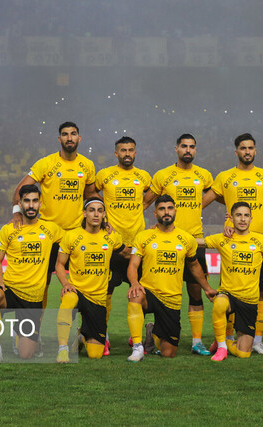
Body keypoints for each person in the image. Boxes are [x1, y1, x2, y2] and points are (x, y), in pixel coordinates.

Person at [198, 202, 263, 362]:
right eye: (238, 215)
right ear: (231, 218)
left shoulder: (261, 241)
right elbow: (198, 242)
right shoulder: (222, 239)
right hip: (228, 295)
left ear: (251, 218)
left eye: (246, 215)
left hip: (249, 301)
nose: (242, 219)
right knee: (219, 302)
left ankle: (225, 342)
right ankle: (222, 348)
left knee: (243, 353)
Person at [202, 133, 263, 354]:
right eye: (243, 148)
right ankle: (226, 338)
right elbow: (201, 203)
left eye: (251, 148)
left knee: (260, 292)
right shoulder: (225, 176)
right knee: (229, 293)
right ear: (236, 152)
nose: (247, 151)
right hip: (232, 244)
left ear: (255, 150)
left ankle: (257, 340)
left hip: (259, 244)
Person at [143, 134, 214, 356]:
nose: (188, 150)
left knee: (195, 293)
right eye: (184, 146)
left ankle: (196, 342)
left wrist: (199, 206)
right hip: (164, 242)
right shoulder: (164, 175)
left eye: (192, 147)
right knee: (159, 292)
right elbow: (145, 202)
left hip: (193, 241)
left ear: (195, 150)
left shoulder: (203, 175)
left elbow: (221, 194)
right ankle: (153, 334)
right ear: (176, 149)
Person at [126, 195, 217, 362]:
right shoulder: (144, 237)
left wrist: (207, 288)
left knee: (169, 353)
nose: (166, 212)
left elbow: (194, 266)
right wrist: (134, 283)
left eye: (169, 208)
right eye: (162, 209)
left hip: (172, 300)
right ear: (155, 214)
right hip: (149, 293)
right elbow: (132, 265)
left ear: (175, 211)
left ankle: (152, 334)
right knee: (135, 294)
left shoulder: (186, 239)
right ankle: (137, 347)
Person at [10, 121, 97, 295]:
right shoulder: (46, 163)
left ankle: (74, 323)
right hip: (48, 233)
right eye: (65, 134)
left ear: (79, 138)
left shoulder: (87, 165)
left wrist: (104, 219)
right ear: (59, 139)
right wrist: (17, 213)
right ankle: (37, 321)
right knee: (42, 284)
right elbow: (20, 190)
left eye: (73, 134)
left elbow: (91, 196)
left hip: (75, 233)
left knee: (78, 283)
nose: (69, 138)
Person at [0, 185, 64, 363]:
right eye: (27, 201)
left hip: (33, 299)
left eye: (35, 201)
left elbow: (75, 238)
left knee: (25, 355)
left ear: (40, 204)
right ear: (19, 204)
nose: (31, 205)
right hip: (11, 290)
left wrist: (104, 227)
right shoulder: (8, 229)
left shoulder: (51, 229)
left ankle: (19, 329)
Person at [94, 136, 152, 355]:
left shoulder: (143, 176)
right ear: (115, 153)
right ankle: (103, 334)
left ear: (135, 153)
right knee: (105, 292)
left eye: (131, 150)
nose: (127, 153)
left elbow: (148, 199)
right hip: (111, 246)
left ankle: (135, 335)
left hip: (136, 246)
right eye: (123, 150)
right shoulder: (105, 175)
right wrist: (104, 218)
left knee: (139, 290)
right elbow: (91, 193)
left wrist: (140, 208)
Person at [55, 197, 129, 362]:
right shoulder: (72, 236)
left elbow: (127, 253)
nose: (96, 214)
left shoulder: (111, 237)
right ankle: (63, 349)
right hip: (77, 290)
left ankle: (82, 336)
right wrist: (66, 283)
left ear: (104, 215)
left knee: (95, 355)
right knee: (68, 300)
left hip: (97, 298)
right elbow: (59, 264)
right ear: (84, 213)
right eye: (92, 210)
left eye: (99, 211)